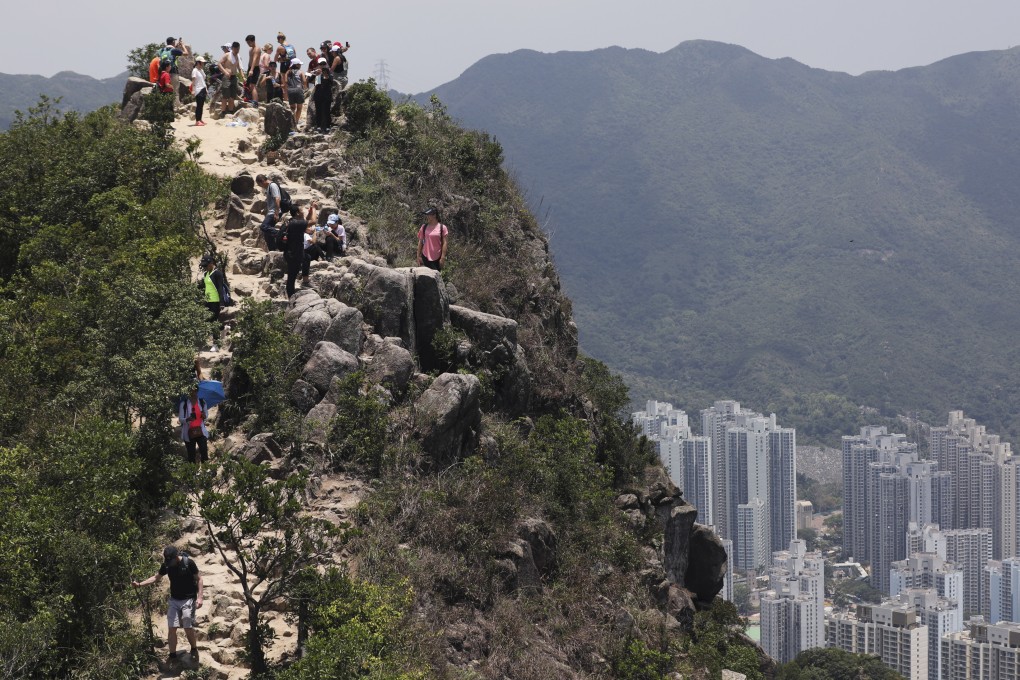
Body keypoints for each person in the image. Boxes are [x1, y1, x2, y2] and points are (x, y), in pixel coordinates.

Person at [132, 545, 204, 662]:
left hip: (188, 599)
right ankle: (172, 655)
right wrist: (139, 584)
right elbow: (156, 578)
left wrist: (200, 598)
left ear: (176, 557)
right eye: (167, 560)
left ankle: (194, 649)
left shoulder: (188, 563)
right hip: (174, 600)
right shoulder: (167, 565)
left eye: (171, 560)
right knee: (172, 628)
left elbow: (199, 579)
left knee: (187, 626)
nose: (169, 563)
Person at [284, 202, 319, 297]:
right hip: (293, 254)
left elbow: (306, 221)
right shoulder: (296, 223)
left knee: (306, 257)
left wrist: (311, 210)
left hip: (295, 252)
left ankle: (305, 280)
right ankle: (291, 297)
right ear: (297, 213)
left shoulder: (294, 221)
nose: (303, 212)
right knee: (292, 276)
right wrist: (315, 209)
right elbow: (313, 221)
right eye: (301, 210)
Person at [200, 255, 227, 350]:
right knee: (208, 321)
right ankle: (223, 328)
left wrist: (221, 303)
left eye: (206, 265)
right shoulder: (205, 274)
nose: (205, 267)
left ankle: (216, 344)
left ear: (212, 263)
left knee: (213, 322)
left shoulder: (218, 274)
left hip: (215, 301)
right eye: (204, 266)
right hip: (208, 301)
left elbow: (220, 288)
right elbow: (205, 288)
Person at [178, 386, 210, 464]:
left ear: (197, 391)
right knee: (191, 456)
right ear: (188, 392)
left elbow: (206, 415)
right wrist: (188, 419)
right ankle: (193, 474)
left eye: (195, 390)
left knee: (204, 452)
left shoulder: (202, 402)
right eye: (191, 391)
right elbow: (180, 419)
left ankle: (205, 472)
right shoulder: (184, 404)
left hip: (200, 431)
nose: (193, 392)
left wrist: (204, 415)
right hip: (189, 432)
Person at [255, 174, 284, 249]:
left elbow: (277, 199)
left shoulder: (272, 186)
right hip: (272, 211)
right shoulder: (269, 188)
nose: (261, 186)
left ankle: (281, 234)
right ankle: (273, 249)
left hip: (274, 212)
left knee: (264, 226)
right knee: (267, 235)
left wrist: (276, 213)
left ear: (262, 181)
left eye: (260, 184)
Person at [158, 37, 189, 106]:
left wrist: (176, 46)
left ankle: (166, 105)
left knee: (166, 90)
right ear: (173, 42)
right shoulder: (173, 50)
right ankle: (176, 107)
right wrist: (183, 45)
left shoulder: (162, 50)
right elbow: (186, 53)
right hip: (173, 72)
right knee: (175, 90)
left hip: (164, 74)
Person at [417, 207, 448, 271]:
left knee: (436, 276)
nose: (427, 217)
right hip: (425, 256)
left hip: (437, 257)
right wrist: (418, 256)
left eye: (429, 215)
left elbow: (445, 243)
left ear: (434, 215)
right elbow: (420, 242)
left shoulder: (442, 228)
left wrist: (443, 257)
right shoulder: (424, 227)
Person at [310, 57, 333, 133]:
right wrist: (315, 74)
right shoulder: (316, 72)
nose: (322, 65)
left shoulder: (329, 72)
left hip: (327, 94)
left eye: (324, 64)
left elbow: (331, 82)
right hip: (318, 94)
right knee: (318, 111)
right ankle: (318, 126)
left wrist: (326, 76)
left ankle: (327, 126)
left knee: (327, 111)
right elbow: (310, 80)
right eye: (321, 64)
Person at [218, 41, 242, 117]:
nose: (237, 51)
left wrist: (243, 76)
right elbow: (219, 64)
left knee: (232, 96)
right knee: (225, 95)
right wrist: (225, 72)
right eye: (235, 49)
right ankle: (223, 112)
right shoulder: (227, 55)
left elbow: (239, 67)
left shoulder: (238, 56)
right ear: (232, 48)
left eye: (238, 49)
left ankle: (231, 111)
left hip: (234, 77)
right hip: (227, 77)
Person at [286, 58, 306, 124]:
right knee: (299, 107)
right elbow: (304, 81)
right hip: (298, 90)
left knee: (292, 108)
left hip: (290, 90)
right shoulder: (300, 72)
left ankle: (292, 122)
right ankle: (296, 121)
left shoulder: (288, 72)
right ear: (297, 65)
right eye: (299, 64)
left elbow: (286, 81)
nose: (300, 65)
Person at [191, 56, 208, 126]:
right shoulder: (195, 70)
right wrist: (193, 90)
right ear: (198, 63)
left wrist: (206, 88)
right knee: (199, 106)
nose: (203, 64)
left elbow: (203, 80)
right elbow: (193, 80)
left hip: (203, 88)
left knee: (201, 106)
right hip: (198, 90)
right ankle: (197, 121)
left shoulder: (201, 70)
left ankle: (200, 119)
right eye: (202, 63)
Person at [244, 34, 260, 106]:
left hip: (255, 68)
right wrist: (249, 69)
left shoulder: (257, 49)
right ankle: (249, 99)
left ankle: (255, 101)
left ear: (253, 41)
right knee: (248, 85)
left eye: (249, 42)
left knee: (253, 85)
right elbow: (250, 60)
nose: (248, 44)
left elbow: (254, 59)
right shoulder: (250, 49)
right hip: (250, 68)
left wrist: (252, 70)